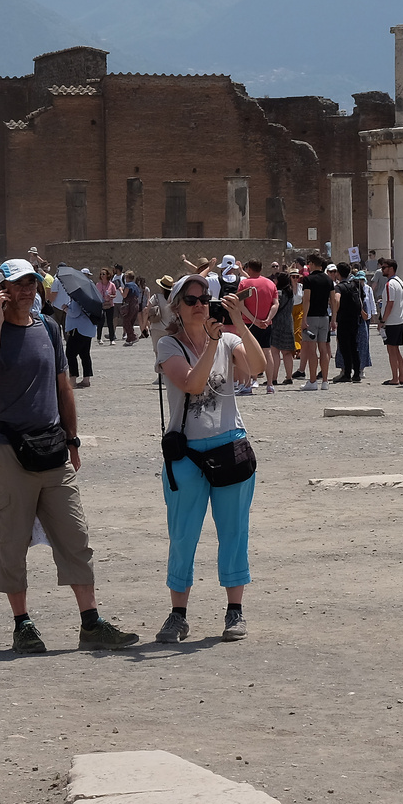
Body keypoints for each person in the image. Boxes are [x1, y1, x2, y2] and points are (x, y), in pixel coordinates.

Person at [0, 258, 139, 654]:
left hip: (53, 448)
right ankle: (22, 624)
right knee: (12, 540)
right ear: (3, 291)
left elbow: (64, 386)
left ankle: (91, 623)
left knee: (75, 537)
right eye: (18, 284)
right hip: (9, 448)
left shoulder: (49, 328)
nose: (27, 290)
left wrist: (73, 439)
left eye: (32, 283)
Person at [155, 275, 266, 644]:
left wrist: (240, 322)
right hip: (187, 452)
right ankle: (178, 614)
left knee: (234, 532)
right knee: (183, 535)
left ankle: (235, 611)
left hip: (229, 444)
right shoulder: (168, 344)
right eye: (191, 300)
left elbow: (256, 368)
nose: (200, 304)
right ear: (177, 307)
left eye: (205, 298)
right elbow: (192, 384)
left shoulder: (229, 339)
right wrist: (212, 343)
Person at [49, 269, 98, 389]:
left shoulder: (78, 297)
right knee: (85, 354)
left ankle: (73, 379)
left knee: (70, 353)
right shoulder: (88, 295)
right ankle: (86, 379)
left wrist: (66, 309)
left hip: (78, 330)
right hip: (88, 329)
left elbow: (74, 313)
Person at [236, 260, 278, 389]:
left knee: (248, 352)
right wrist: (267, 319)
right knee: (267, 352)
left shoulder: (244, 284)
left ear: (249, 269)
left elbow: (241, 305)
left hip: (249, 323)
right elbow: (275, 304)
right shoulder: (270, 284)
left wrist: (254, 320)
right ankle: (270, 384)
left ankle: (249, 383)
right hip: (266, 323)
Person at [299, 253, 336, 390]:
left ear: (313, 264)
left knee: (311, 349)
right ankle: (325, 381)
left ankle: (313, 380)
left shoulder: (308, 280)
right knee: (324, 348)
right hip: (325, 316)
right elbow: (333, 301)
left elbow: (306, 300)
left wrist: (304, 318)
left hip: (311, 317)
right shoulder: (328, 280)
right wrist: (334, 319)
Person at [330, 262, 367, 384]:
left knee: (344, 347)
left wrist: (334, 316)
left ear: (338, 273)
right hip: (354, 319)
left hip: (344, 319)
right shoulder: (354, 285)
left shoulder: (339, 287)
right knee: (354, 346)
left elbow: (336, 299)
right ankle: (356, 373)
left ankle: (346, 373)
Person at [265, 271, 299, 390]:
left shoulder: (278, 293)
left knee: (274, 351)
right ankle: (289, 377)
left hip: (277, 323)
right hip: (288, 323)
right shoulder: (290, 293)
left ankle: (273, 377)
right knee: (287, 352)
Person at [378, 259, 403, 385]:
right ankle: (402, 376)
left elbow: (390, 304)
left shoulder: (390, 284)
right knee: (396, 350)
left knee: (391, 350)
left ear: (391, 268)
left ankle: (395, 377)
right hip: (399, 319)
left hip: (391, 321)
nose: (382, 270)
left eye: (384, 267)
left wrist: (382, 320)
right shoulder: (400, 282)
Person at [120, 273, 143, 345]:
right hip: (136, 304)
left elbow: (124, 295)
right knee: (131, 322)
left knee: (126, 321)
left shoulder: (128, 285)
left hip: (129, 305)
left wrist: (120, 289)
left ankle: (133, 336)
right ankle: (129, 339)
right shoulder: (135, 285)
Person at [96, 269, 117, 343]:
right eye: (101, 274)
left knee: (110, 322)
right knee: (100, 322)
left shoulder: (112, 285)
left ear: (107, 275)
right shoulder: (98, 284)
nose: (102, 275)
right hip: (101, 305)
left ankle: (112, 339)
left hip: (110, 305)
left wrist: (111, 296)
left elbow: (115, 294)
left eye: (103, 274)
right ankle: (99, 338)